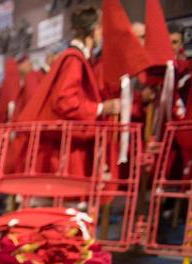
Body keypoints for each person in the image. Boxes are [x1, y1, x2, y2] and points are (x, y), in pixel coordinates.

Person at [14, 5, 120, 175]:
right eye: (101, 28)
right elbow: (65, 101)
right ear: (93, 31)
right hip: (68, 151)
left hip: (67, 146)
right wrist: (101, 108)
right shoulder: (74, 59)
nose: (102, 34)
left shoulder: (75, 57)